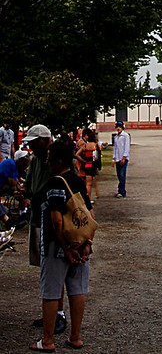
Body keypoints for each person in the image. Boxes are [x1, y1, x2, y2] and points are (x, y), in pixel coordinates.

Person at [37, 138, 91, 352]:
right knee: (77, 290)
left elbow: (57, 220)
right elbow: (89, 214)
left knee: (51, 291)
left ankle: (48, 341)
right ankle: (75, 337)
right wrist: (86, 243)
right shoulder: (77, 180)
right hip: (80, 243)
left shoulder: (55, 183)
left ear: (59, 161)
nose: (48, 164)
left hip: (56, 246)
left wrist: (66, 249)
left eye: (50, 160)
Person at [75, 130, 100, 206]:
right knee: (93, 183)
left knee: (88, 184)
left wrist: (83, 161)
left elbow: (77, 155)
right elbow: (97, 157)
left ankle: (87, 199)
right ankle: (93, 198)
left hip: (87, 165)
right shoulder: (95, 146)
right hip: (93, 165)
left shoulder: (85, 146)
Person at [110, 122, 131, 196]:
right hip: (118, 158)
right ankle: (122, 190)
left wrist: (124, 157)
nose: (118, 128)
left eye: (119, 127)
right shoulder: (116, 137)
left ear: (122, 128)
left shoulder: (125, 136)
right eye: (117, 127)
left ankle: (121, 191)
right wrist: (113, 158)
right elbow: (115, 148)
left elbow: (127, 147)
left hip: (123, 158)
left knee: (122, 174)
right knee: (119, 175)